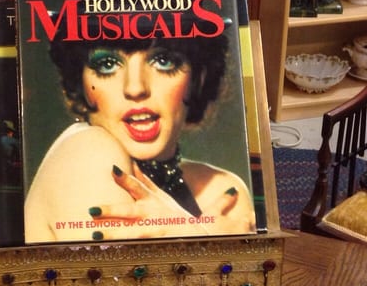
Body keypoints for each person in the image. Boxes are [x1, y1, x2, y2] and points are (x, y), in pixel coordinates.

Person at [24, 26, 256, 242]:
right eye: (107, 64)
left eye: (163, 61)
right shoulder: (87, 152)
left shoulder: (220, 190)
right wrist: (199, 239)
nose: (135, 88)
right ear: (80, 83)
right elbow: (113, 275)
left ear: (198, 78)